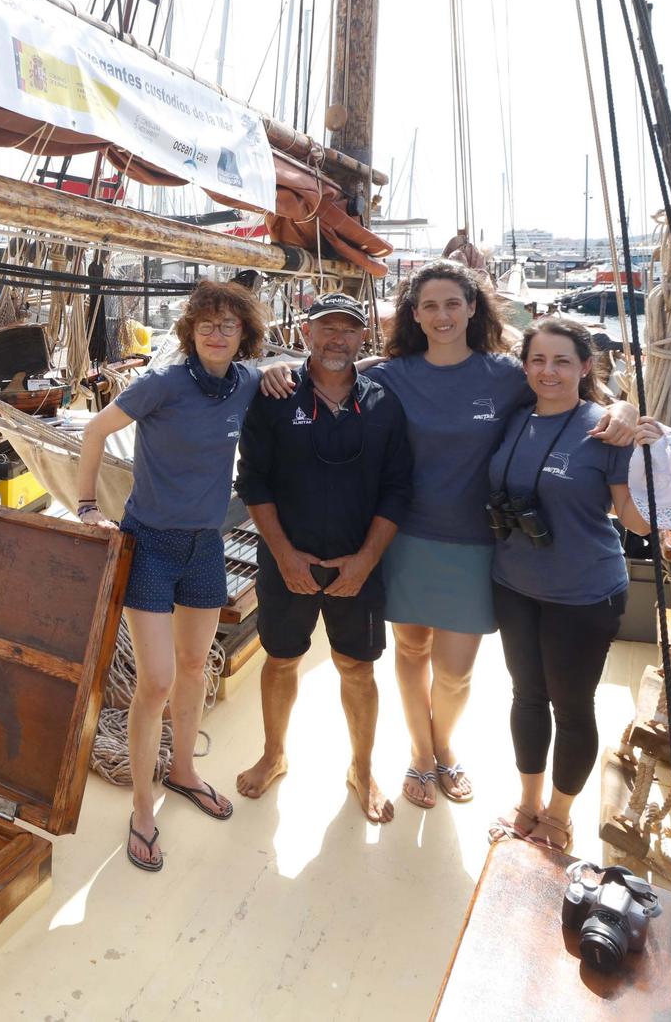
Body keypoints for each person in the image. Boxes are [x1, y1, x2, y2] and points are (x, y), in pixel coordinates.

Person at [258, 260, 636, 810]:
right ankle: (419, 755)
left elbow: (568, 399)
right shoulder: (391, 373)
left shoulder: (507, 374)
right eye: (430, 306)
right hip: (406, 537)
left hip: (478, 542)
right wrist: (284, 367)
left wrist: (623, 408)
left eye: (452, 304)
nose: (442, 316)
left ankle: (444, 746)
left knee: (455, 672)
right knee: (411, 650)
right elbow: (329, 369)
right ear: (415, 314)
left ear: (472, 308)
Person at [74, 278, 264, 873]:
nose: (215, 332)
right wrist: (86, 507)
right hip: (150, 543)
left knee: (191, 668)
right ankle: (141, 805)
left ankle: (182, 770)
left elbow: (303, 369)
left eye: (227, 325)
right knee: (154, 680)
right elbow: (95, 430)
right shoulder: (162, 383)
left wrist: (283, 369)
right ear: (190, 332)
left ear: (243, 336)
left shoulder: (248, 383)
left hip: (203, 546)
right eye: (205, 323)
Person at [232, 293, 412, 824]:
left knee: (357, 666)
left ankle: (361, 767)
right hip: (286, 560)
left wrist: (365, 561)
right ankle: (274, 753)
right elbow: (253, 482)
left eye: (349, 329)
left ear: (364, 338)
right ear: (306, 333)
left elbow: (397, 490)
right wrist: (284, 556)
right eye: (326, 328)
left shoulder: (384, 403)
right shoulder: (274, 396)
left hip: (360, 565)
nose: (338, 338)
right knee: (281, 658)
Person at [486, 315, 664, 850]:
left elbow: (636, 520)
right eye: (538, 359)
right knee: (526, 696)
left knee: (571, 704)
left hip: (583, 594)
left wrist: (654, 457)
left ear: (586, 367)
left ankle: (559, 815)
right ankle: (529, 801)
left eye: (563, 361)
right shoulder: (514, 417)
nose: (549, 371)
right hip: (515, 585)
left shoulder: (607, 429)